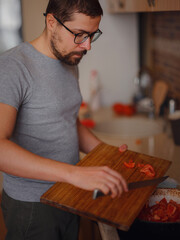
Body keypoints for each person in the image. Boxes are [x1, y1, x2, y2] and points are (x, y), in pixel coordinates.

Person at [0, 0, 128, 239]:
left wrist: (107, 154)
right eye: (80, 35)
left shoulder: (70, 58)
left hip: (69, 193)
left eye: (92, 35)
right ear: (51, 22)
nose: (87, 46)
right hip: (33, 206)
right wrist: (73, 173)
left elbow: (68, 121)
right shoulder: (12, 67)